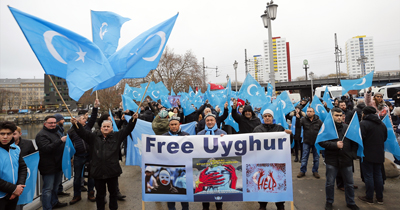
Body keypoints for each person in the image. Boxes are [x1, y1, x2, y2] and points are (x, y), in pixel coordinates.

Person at [71, 113, 138, 210]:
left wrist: (133, 119)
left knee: (113, 193)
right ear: (101, 128)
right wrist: (75, 124)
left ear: (112, 128)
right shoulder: (93, 137)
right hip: (98, 172)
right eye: (104, 126)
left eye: (108, 126)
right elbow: (82, 133)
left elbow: (128, 129)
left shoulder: (117, 136)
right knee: (100, 195)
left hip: (112, 171)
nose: (106, 128)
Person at [318, 108, 359, 210]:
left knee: (349, 183)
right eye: (337, 115)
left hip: (346, 159)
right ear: (332, 116)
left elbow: (355, 142)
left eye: (341, 115)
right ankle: (329, 202)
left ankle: (351, 202)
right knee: (330, 183)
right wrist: (334, 145)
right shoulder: (327, 128)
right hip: (332, 160)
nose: (339, 117)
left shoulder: (347, 128)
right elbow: (321, 142)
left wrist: (352, 155)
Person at [253, 109, 292, 210]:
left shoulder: (279, 128)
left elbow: (287, 144)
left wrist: (289, 135)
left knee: (277, 183)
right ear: (262, 117)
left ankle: (280, 204)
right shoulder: (257, 129)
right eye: (265, 116)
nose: (267, 118)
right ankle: (262, 205)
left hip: (277, 163)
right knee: (262, 183)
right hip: (262, 163)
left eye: (269, 116)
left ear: (272, 117)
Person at [68, 100, 100, 205]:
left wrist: (95, 107)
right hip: (78, 156)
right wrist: (71, 158)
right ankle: (77, 195)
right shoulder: (71, 131)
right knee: (77, 177)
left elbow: (93, 117)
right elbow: (69, 146)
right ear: (77, 121)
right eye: (83, 119)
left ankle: (91, 193)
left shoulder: (87, 127)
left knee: (91, 176)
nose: (85, 120)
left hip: (89, 155)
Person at [36, 116, 68, 209]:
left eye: (54, 123)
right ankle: (47, 207)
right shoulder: (41, 135)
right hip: (48, 166)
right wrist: (60, 141)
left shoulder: (56, 132)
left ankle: (54, 202)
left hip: (58, 165)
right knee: (47, 189)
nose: (53, 125)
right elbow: (46, 148)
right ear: (45, 123)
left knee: (55, 187)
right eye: (50, 123)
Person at [197, 113, 227, 210]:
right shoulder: (200, 134)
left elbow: (228, 149)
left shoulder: (222, 133)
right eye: (207, 120)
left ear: (215, 121)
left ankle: (219, 206)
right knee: (205, 185)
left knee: (217, 186)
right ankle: (205, 207)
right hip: (204, 165)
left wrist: (225, 139)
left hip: (218, 164)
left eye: (211, 120)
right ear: (205, 122)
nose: (210, 122)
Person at [358, 106, 387, 205]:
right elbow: (385, 137)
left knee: (369, 176)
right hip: (379, 153)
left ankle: (369, 197)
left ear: (364, 114)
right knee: (378, 175)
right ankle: (380, 198)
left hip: (367, 153)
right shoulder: (382, 124)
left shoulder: (363, 124)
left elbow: (360, 138)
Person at [162, 116, 189, 210]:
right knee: (170, 195)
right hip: (169, 170)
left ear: (179, 125)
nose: (174, 126)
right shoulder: (163, 137)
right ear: (169, 125)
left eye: (175, 124)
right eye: (172, 124)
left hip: (183, 170)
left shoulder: (186, 135)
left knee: (184, 195)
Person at [0, 121, 27, 210]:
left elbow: (22, 167)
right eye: (2, 133)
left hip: (13, 195)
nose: (5, 137)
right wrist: (14, 189)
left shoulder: (16, 148)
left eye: (8, 134)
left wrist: (19, 186)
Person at [297, 107, 323, 179]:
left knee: (316, 158)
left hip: (316, 143)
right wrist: (298, 118)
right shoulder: (303, 120)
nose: (309, 112)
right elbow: (298, 126)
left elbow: (323, 130)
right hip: (306, 141)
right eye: (307, 111)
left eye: (310, 111)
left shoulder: (319, 121)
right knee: (304, 157)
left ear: (314, 112)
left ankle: (315, 171)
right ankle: (302, 171)